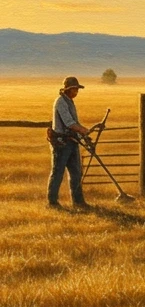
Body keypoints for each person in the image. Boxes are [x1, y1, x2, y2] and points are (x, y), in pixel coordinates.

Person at [47, 76, 92, 208]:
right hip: (61, 143)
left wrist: (84, 136)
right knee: (58, 172)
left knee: (76, 173)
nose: (76, 92)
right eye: (74, 89)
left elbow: (75, 123)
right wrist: (83, 130)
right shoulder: (60, 102)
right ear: (67, 89)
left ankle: (78, 202)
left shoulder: (70, 102)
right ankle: (52, 202)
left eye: (77, 89)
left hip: (72, 142)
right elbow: (69, 123)